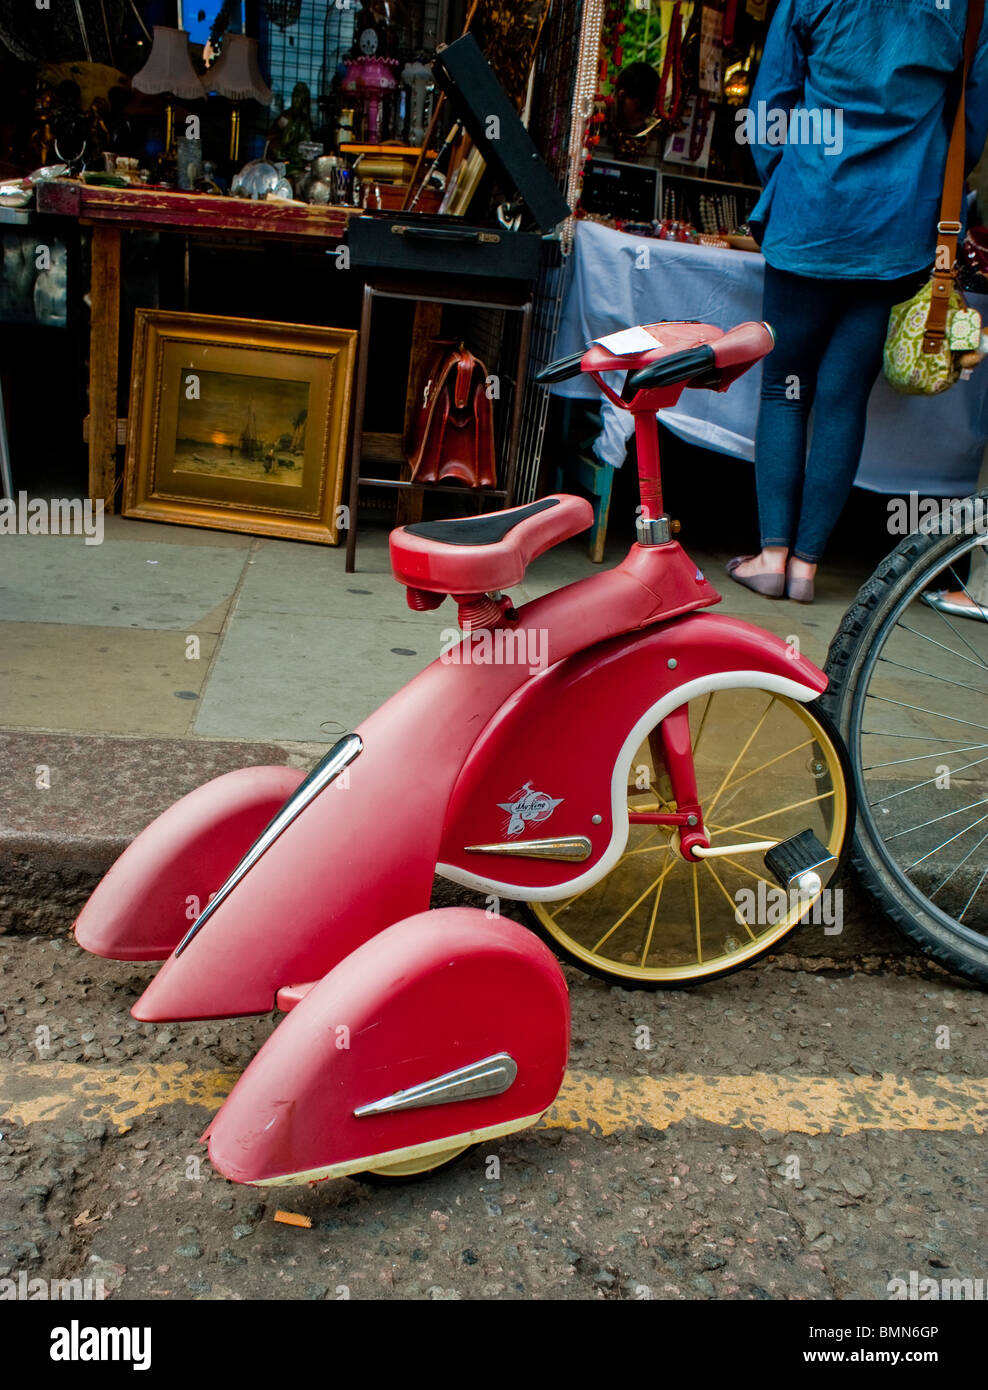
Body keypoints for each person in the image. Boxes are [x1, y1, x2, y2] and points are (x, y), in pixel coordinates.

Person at [727, 0, 988, 604]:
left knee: (784, 388)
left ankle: (770, 557)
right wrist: (918, 181)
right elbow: (971, 125)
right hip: (898, 225)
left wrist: (788, 184)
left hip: (810, 211)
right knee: (845, 399)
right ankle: (807, 569)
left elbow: (771, 107)